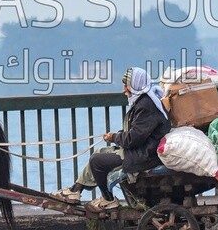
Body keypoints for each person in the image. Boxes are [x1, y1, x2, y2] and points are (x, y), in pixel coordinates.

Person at [54, 67, 171, 209]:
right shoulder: (143, 102)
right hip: (140, 151)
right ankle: (75, 190)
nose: (124, 90)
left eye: (126, 86)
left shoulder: (146, 106)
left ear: (135, 84)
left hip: (144, 156)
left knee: (97, 161)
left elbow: (133, 139)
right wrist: (114, 137)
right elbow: (135, 131)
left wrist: (115, 137)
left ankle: (108, 199)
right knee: (100, 152)